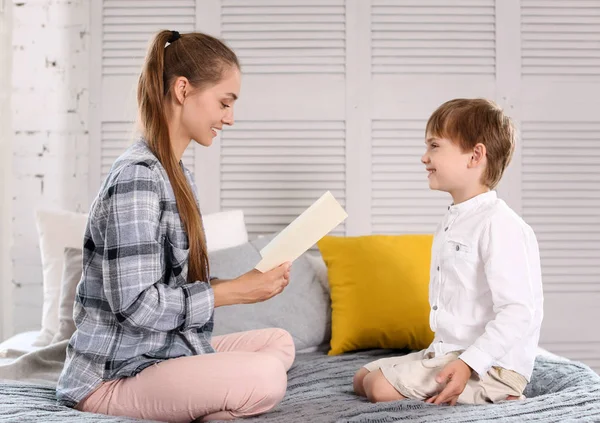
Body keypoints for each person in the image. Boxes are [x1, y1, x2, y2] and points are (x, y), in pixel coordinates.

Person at [56, 30, 295, 423]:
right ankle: (208, 401)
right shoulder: (137, 178)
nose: (229, 118)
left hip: (160, 351)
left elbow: (169, 284)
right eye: (224, 102)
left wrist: (243, 282)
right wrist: (230, 294)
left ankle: (205, 401)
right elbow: (136, 306)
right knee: (267, 375)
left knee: (278, 342)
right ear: (183, 89)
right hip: (113, 375)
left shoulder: (174, 174)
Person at [353, 98, 544, 406]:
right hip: (449, 351)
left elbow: (519, 312)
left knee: (377, 388)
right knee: (362, 378)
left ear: (475, 155)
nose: (424, 157)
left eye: (434, 146)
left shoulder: (500, 224)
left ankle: (497, 393)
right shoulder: (454, 220)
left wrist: (470, 362)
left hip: (492, 366)